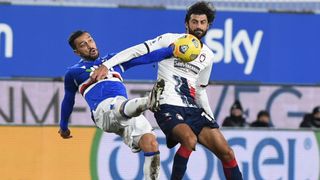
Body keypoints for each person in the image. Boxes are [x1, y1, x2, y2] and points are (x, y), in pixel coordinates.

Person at [90, 2, 243, 180]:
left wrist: (211, 119)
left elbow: (200, 91)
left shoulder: (208, 55)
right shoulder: (169, 39)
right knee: (189, 140)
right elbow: (137, 51)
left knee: (227, 153)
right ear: (187, 23)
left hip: (193, 109)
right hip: (167, 105)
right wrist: (107, 65)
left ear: (208, 26)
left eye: (202, 22)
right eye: (194, 22)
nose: (198, 26)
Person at [59, 30, 177, 180]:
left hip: (127, 112)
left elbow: (144, 58)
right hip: (103, 112)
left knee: (151, 142)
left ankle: (148, 102)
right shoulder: (74, 73)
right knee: (118, 105)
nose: (90, 45)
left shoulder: (112, 61)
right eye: (83, 45)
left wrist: (170, 51)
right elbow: (68, 100)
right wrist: (63, 126)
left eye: (90, 40)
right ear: (77, 52)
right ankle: (148, 101)